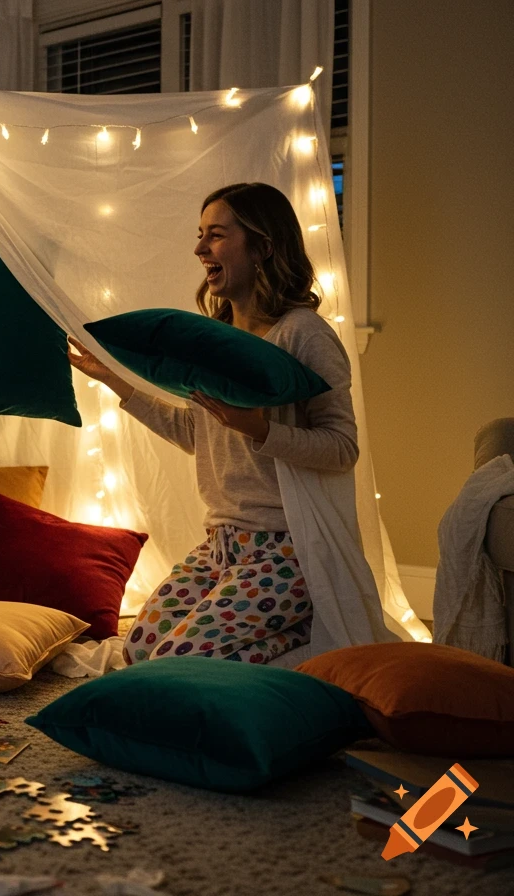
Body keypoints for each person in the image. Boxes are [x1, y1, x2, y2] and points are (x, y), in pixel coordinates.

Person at [68, 182, 358, 665]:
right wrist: (116, 381)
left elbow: (342, 448)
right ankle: (289, 637)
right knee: (139, 651)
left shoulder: (305, 334)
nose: (200, 248)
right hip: (222, 545)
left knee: (178, 660)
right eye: (201, 234)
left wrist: (259, 429)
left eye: (216, 235)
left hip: (287, 550)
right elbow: (196, 434)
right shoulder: (217, 339)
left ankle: (313, 642)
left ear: (263, 245)